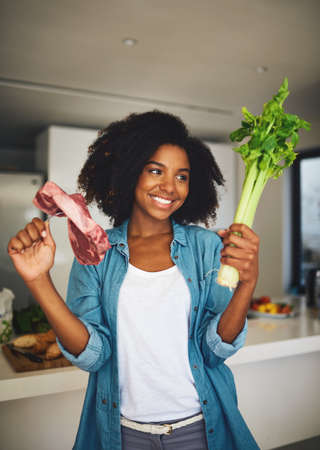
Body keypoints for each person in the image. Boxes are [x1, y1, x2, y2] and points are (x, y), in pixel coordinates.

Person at [8, 111, 260, 450]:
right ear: (129, 172)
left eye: (181, 176)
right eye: (156, 170)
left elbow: (215, 350)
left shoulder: (207, 247)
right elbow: (94, 356)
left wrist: (247, 284)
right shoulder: (97, 251)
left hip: (201, 429)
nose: (169, 187)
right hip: (123, 433)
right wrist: (39, 280)